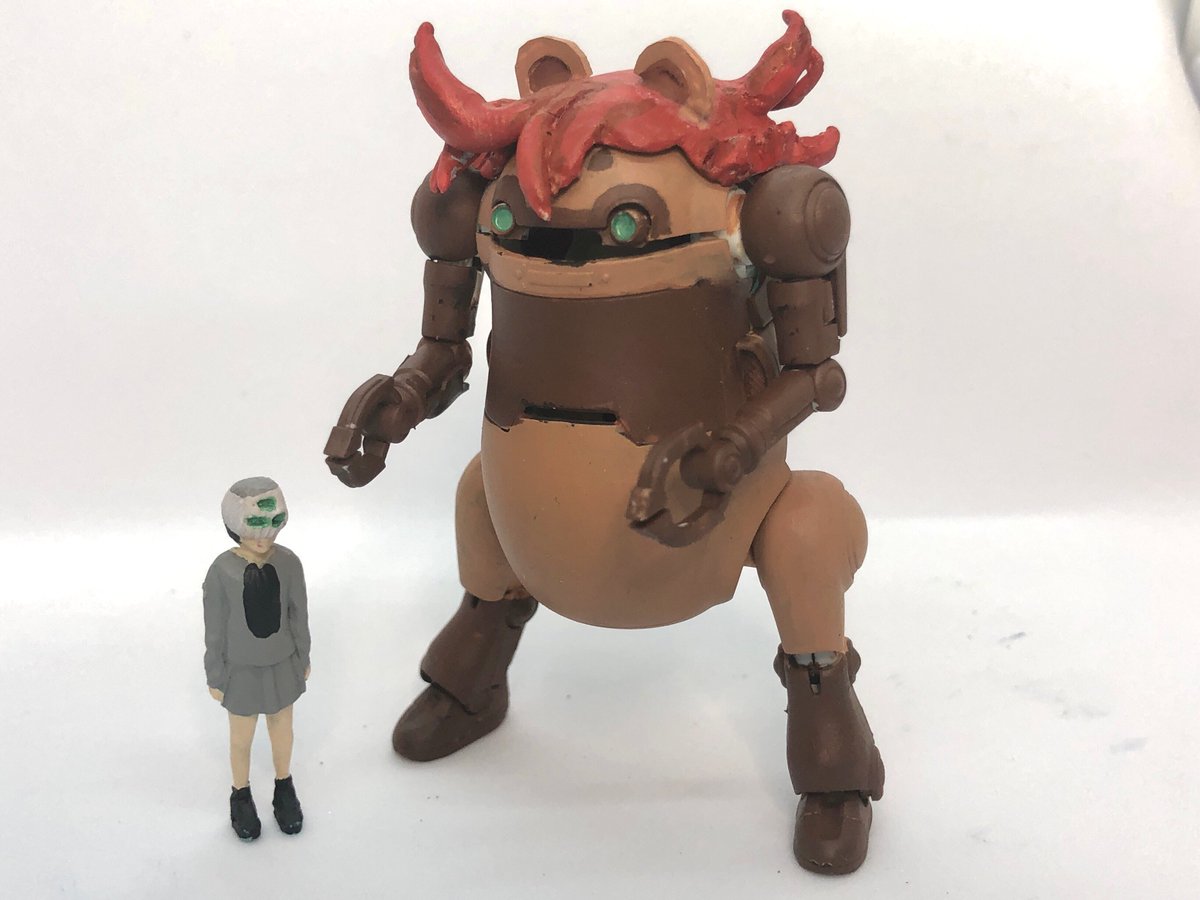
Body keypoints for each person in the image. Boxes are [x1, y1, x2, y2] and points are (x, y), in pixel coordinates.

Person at [203, 476, 310, 839]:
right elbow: (214, 627)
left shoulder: (289, 563)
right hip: (242, 669)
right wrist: (215, 674)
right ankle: (241, 793)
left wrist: (303, 656)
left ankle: (284, 786)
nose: (264, 536)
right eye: (254, 525)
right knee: (241, 737)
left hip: (282, 663)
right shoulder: (222, 571)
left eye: (273, 523)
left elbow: (298, 614)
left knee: (282, 731)